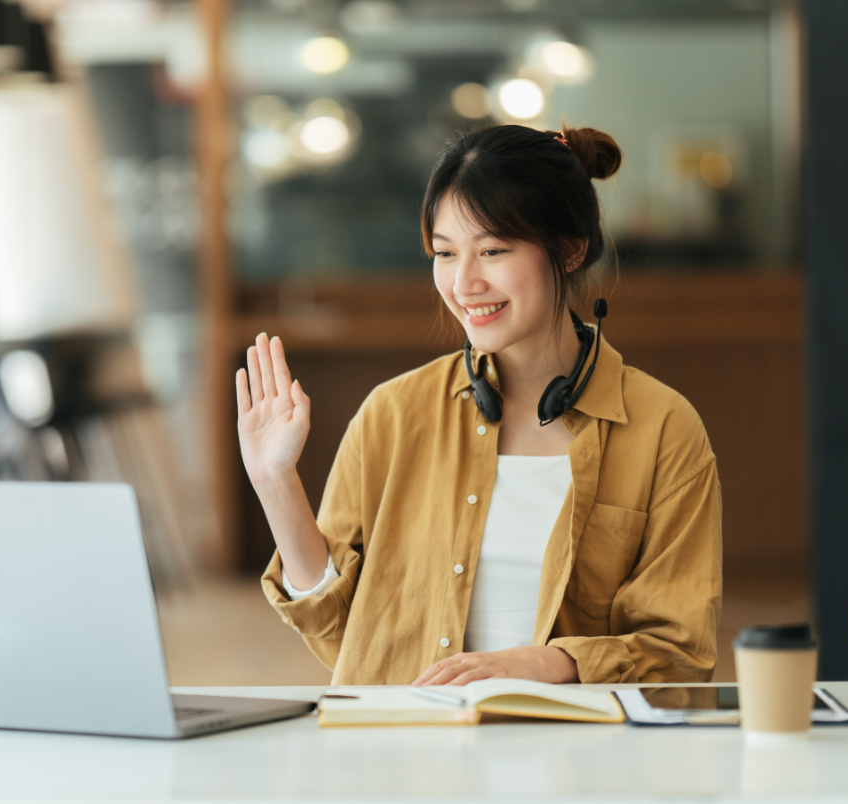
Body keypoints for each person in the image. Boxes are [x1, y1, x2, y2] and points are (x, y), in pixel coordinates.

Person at [235, 124, 721, 687]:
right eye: (445, 253)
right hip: (409, 754)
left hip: (576, 757)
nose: (464, 283)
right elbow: (341, 634)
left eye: (492, 251)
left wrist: (546, 663)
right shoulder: (392, 414)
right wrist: (276, 483)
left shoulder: (663, 428)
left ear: (570, 250)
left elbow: (680, 653)